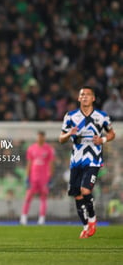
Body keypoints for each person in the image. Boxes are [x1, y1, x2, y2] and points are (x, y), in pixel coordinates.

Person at [59, 86, 115, 239]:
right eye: (82, 94)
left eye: (88, 95)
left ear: (93, 98)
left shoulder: (102, 116)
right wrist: (69, 133)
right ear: (78, 98)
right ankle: (86, 227)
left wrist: (102, 139)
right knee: (77, 194)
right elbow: (61, 139)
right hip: (76, 161)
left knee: (85, 190)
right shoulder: (70, 116)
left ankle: (92, 219)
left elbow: (111, 133)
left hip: (93, 159)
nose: (84, 97)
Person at [20, 131, 55, 226]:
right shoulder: (31, 148)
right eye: (39, 137)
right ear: (37, 137)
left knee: (43, 198)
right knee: (28, 197)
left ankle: (42, 218)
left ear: (44, 137)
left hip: (44, 178)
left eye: (42, 137)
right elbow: (29, 163)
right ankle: (23, 217)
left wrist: (50, 176)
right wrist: (27, 177)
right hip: (33, 177)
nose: (40, 138)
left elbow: (51, 164)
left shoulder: (49, 149)